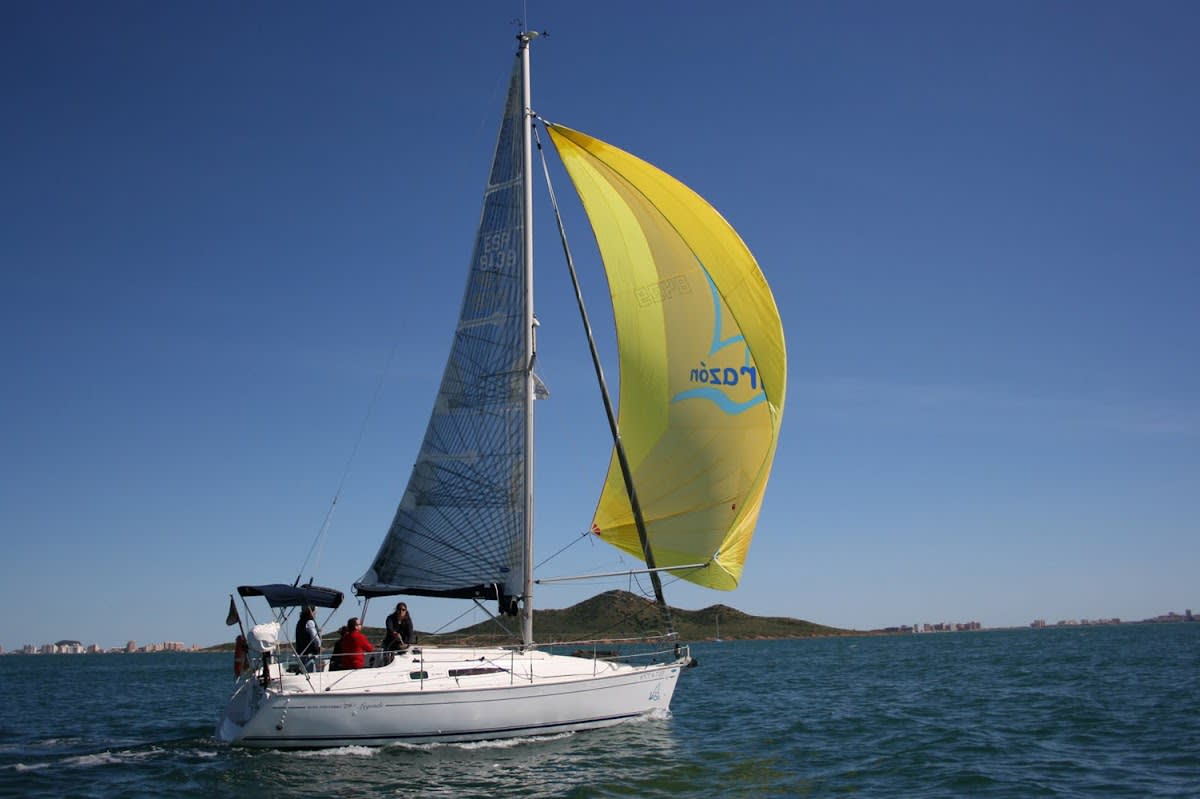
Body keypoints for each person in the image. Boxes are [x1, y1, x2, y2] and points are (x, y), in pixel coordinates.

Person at [295, 606, 321, 672]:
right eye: (314, 611)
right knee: (312, 675)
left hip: (301, 654)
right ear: (311, 612)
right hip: (309, 655)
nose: (315, 613)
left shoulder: (299, 622)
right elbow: (316, 639)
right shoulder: (310, 622)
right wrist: (318, 646)